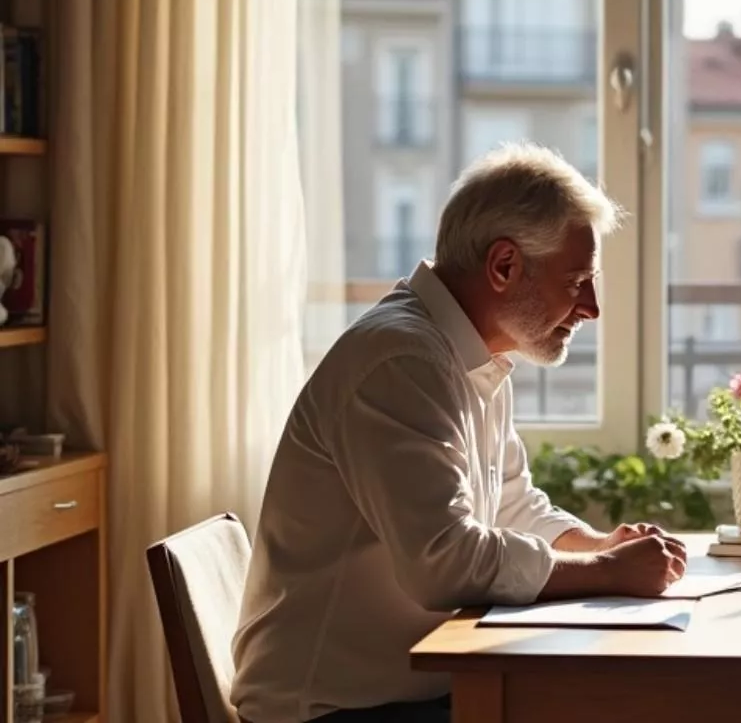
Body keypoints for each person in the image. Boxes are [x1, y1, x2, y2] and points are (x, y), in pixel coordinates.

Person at [232, 144, 686, 723]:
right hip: (333, 708)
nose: (592, 308)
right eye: (577, 281)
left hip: (406, 691)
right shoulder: (402, 360)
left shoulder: (472, 356)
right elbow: (443, 562)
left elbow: (513, 505)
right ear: (503, 266)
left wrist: (596, 546)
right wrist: (606, 573)